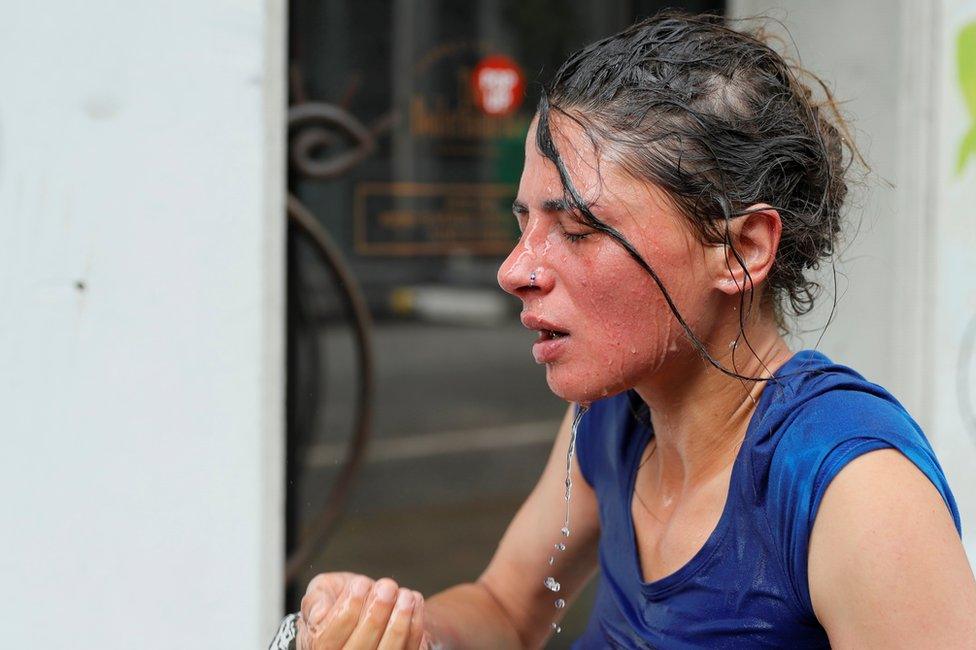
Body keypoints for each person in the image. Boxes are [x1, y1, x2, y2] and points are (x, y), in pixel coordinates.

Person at [278, 12, 976, 649]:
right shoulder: (610, 420)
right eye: (524, 223)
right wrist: (393, 629)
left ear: (743, 249)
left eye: (578, 229)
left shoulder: (852, 488)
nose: (515, 270)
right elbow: (504, 610)